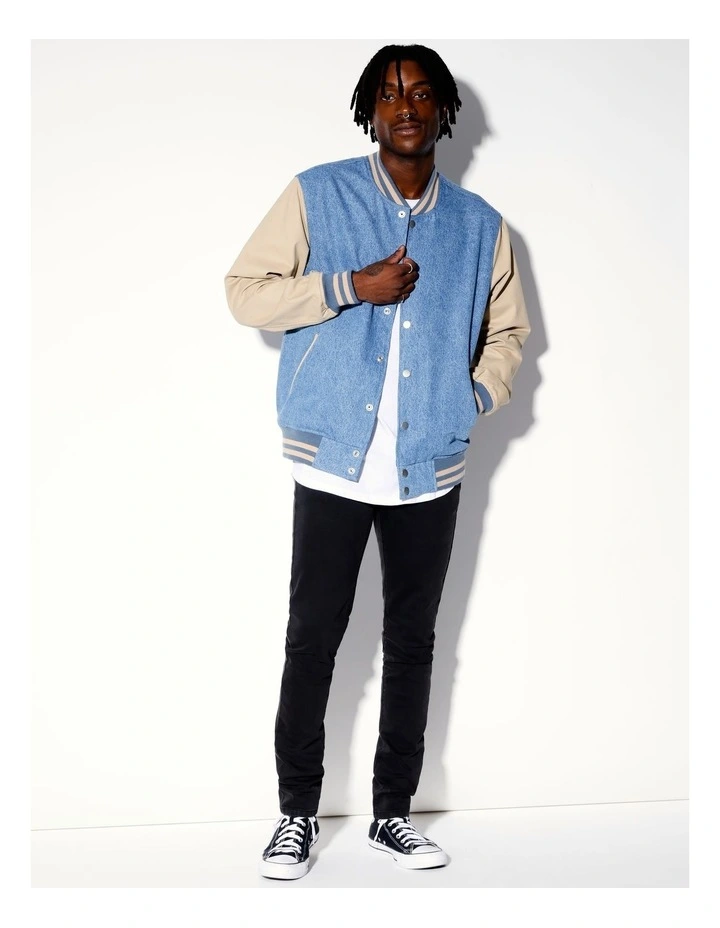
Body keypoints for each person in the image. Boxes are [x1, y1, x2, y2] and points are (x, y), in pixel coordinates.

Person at [223, 43, 530, 880]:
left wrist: (470, 399)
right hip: (332, 460)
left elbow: (509, 331)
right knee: (312, 639)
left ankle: (393, 814)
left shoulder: (479, 225)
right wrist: (346, 286)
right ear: (370, 108)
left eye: (422, 93)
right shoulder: (316, 193)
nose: (406, 106)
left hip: (429, 465)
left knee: (414, 643)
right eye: (390, 93)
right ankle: (295, 815)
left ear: (443, 112)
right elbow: (245, 290)